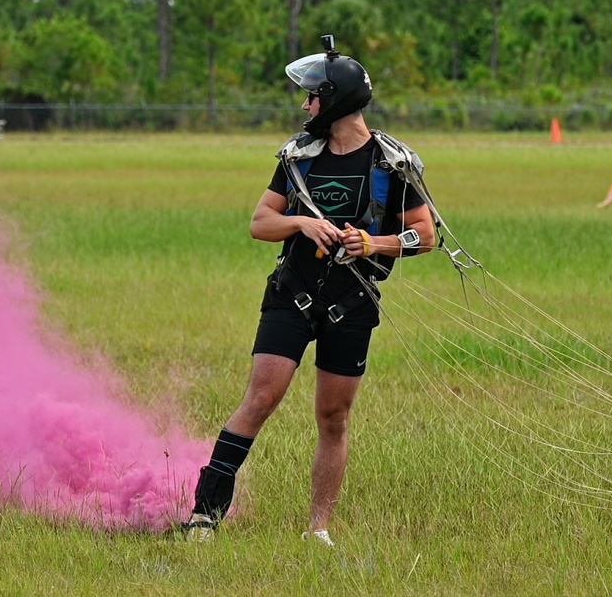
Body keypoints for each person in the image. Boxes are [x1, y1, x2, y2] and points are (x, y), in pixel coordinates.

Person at [184, 35, 436, 546]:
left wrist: (374, 242)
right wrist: (300, 223)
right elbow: (260, 222)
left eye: (312, 97)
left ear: (336, 99)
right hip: (293, 292)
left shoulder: (393, 164)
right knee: (260, 398)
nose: (304, 106)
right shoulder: (299, 156)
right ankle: (205, 517)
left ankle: (318, 529)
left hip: (353, 302)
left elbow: (424, 236)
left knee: (334, 417)